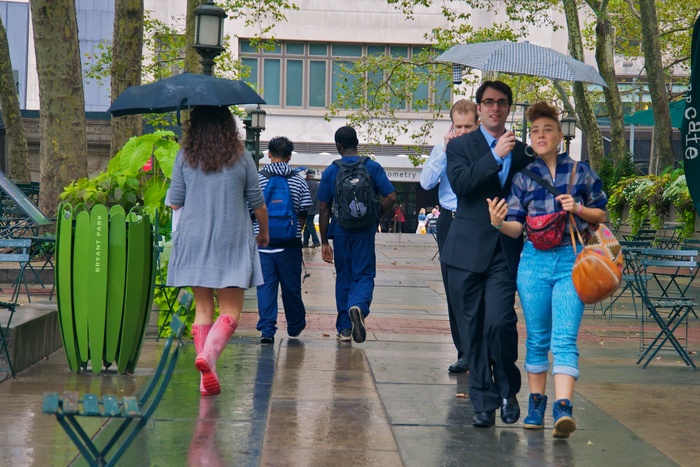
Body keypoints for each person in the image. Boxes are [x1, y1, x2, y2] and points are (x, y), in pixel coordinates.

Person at [487, 101, 607, 438]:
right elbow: (515, 226)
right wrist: (498, 224)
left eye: (548, 129)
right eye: (536, 131)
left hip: (572, 260)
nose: (541, 135)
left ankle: (563, 409)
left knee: (565, 338)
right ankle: (536, 404)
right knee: (537, 338)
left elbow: (603, 215)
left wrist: (579, 207)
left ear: (559, 135)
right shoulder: (524, 178)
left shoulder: (581, 172)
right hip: (533, 263)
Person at [442, 80, 531, 428]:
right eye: (489, 102)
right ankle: (483, 401)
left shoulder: (524, 153)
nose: (495, 108)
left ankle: (508, 390)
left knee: (499, 323)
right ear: (479, 108)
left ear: (508, 109)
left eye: (502, 103)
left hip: (503, 251)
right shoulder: (460, 146)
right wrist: (495, 156)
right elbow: (462, 185)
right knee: (473, 330)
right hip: (464, 251)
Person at [166, 105, 269, 396]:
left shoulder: (185, 156)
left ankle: (205, 375)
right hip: (231, 238)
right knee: (231, 310)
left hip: (194, 238)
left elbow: (175, 202)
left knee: (203, 308)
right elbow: (257, 203)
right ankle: (208, 358)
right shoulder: (242, 157)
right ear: (228, 125)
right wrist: (264, 232)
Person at [318, 126, 396, 343]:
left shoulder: (331, 171)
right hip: (365, 232)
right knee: (363, 274)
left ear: (338, 146)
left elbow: (324, 208)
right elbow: (390, 196)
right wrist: (375, 215)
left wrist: (324, 242)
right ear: (357, 142)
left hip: (341, 232)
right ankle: (359, 307)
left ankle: (344, 328)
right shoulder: (371, 167)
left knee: (343, 276)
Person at [420, 98, 479, 373]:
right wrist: (445, 150)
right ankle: (464, 352)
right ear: (451, 126)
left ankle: (479, 349)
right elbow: (426, 182)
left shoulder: (486, 151)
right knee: (453, 288)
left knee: (476, 290)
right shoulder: (442, 150)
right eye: (458, 127)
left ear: (478, 124)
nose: (463, 132)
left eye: (468, 126)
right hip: (449, 220)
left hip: (477, 221)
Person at [255, 136, 312, 344]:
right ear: (289, 156)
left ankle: (268, 330)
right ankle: (295, 325)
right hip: (290, 244)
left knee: (266, 287)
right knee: (291, 287)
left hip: (263, 243)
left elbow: (251, 209)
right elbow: (304, 209)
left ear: (269, 154)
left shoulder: (259, 179)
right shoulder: (298, 180)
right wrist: (298, 229)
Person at [303, 169, 321, 248]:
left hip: (307, 207)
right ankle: (305, 242)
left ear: (307, 175)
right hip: (315, 207)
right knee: (308, 224)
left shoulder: (305, 184)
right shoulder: (318, 184)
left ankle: (316, 240)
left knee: (309, 223)